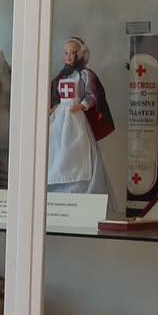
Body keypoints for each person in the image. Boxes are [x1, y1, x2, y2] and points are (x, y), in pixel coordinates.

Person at [47, 36, 113, 206]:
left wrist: (83, 105)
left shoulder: (85, 74)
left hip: (75, 118)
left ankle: (80, 192)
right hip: (60, 117)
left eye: (72, 53)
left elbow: (92, 94)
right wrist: (54, 108)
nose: (68, 56)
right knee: (56, 151)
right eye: (66, 53)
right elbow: (56, 97)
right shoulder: (61, 76)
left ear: (80, 54)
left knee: (78, 152)